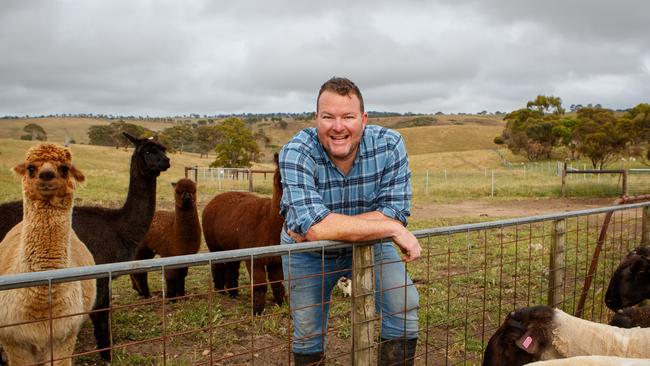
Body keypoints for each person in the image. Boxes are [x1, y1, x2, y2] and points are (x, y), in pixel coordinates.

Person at [279, 77, 421, 366]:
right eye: (328, 117)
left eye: (348, 117)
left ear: (364, 119)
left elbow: (395, 209)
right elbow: (317, 229)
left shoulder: (390, 145)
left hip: (371, 244)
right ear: (316, 119)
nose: (338, 127)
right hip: (309, 255)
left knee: (404, 305)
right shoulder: (296, 151)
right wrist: (390, 227)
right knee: (307, 329)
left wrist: (329, 225)